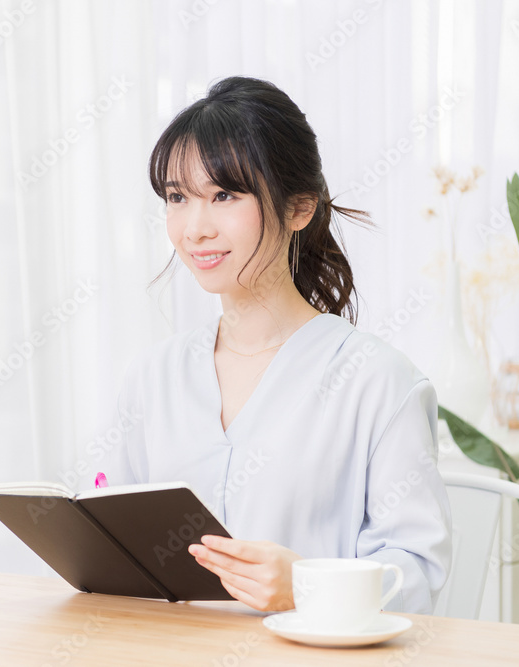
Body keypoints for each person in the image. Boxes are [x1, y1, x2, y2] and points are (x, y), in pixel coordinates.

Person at [96, 76, 451, 615]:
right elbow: (114, 541)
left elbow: (419, 573)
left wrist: (307, 587)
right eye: (177, 197)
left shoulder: (380, 382)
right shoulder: (151, 376)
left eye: (224, 195)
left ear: (299, 208)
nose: (194, 228)